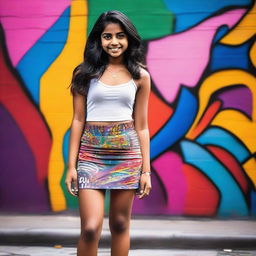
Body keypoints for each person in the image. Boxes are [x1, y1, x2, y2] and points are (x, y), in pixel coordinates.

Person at [65, 10, 151, 256]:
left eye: (120, 36)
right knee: (91, 228)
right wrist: (71, 166)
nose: (114, 42)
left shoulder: (141, 76)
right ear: (98, 40)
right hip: (91, 157)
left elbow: (142, 126)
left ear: (129, 39)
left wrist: (146, 171)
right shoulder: (84, 74)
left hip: (127, 157)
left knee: (120, 224)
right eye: (107, 36)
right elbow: (78, 120)